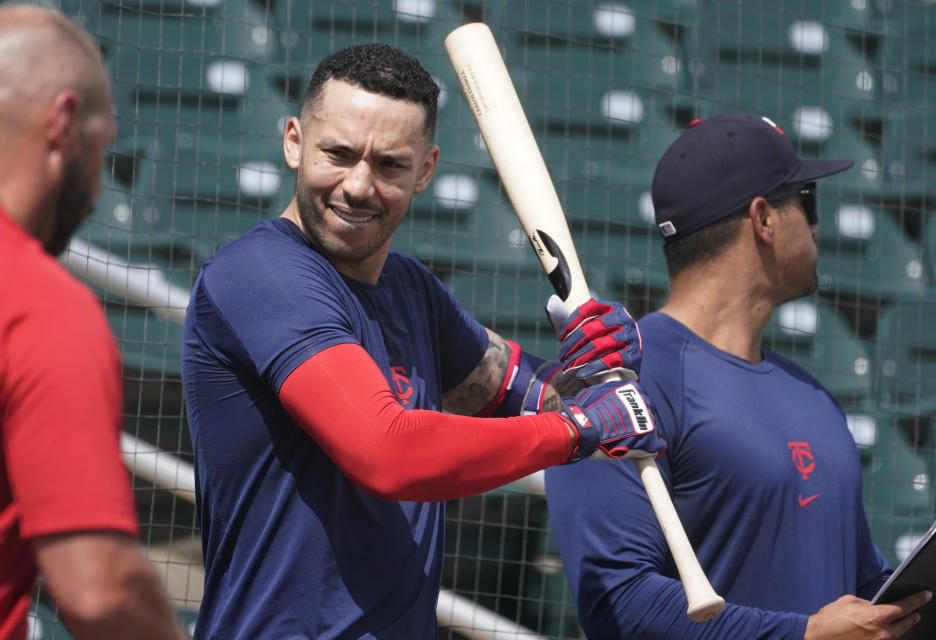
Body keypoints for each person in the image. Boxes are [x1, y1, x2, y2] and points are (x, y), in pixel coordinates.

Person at [181, 42, 665, 639]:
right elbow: (387, 452)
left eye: (389, 165)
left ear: (426, 170)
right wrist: (579, 430)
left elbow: (529, 394)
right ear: (293, 142)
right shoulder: (260, 274)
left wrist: (591, 373)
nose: (358, 185)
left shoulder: (411, 289)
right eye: (338, 153)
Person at [544, 112, 932, 639]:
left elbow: (860, 587)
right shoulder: (617, 379)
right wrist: (803, 636)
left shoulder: (814, 394)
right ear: (763, 219)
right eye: (807, 199)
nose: (818, 224)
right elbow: (618, 601)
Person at [0, 5, 190, 640]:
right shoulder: (37, 305)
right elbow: (101, 589)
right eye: (103, 147)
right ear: (64, 125)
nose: (97, 187)